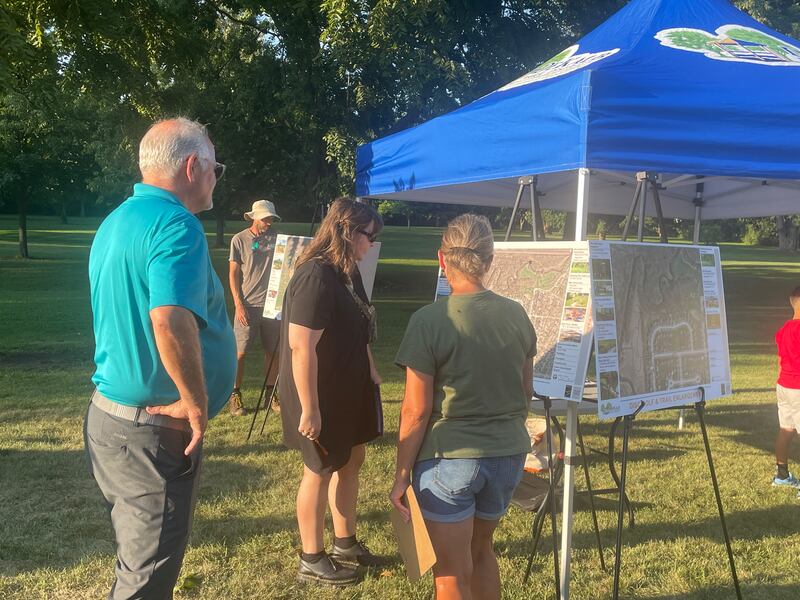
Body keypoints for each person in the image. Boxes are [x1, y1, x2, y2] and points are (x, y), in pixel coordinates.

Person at [85, 117, 236, 599]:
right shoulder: (176, 224)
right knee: (146, 581)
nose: (217, 177)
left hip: (112, 419)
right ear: (194, 166)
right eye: (216, 167)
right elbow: (169, 317)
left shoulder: (117, 220)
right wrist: (195, 400)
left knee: (138, 562)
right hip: (150, 431)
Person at [391, 213, 537, 600]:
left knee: (451, 572)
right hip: (507, 454)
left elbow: (415, 411)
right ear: (489, 260)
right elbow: (525, 391)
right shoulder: (517, 314)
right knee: (481, 550)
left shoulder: (428, 320)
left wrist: (401, 473)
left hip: (448, 459)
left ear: (442, 260)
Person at [278, 197, 387, 585]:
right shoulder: (315, 275)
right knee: (319, 471)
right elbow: (300, 346)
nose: (370, 245)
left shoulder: (347, 271)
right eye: (368, 236)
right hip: (318, 394)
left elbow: (361, 325)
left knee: (351, 463)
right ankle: (312, 556)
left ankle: (346, 542)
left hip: (349, 387)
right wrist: (310, 408)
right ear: (346, 231)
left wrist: (371, 370)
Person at [228, 199, 282, 416]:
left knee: (273, 351)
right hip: (248, 305)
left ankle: (271, 394)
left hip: (273, 305)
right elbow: (233, 274)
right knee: (240, 353)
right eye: (266, 218)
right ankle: (235, 395)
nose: (269, 222)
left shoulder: (278, 239)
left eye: (271, 218)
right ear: (254, 218)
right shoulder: (239, 240)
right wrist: (238, 304)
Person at [773, 286, 800, 491]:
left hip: (784, 386)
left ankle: (782, 475)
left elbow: (781, 360)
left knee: (786, 430)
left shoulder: (782, 330)